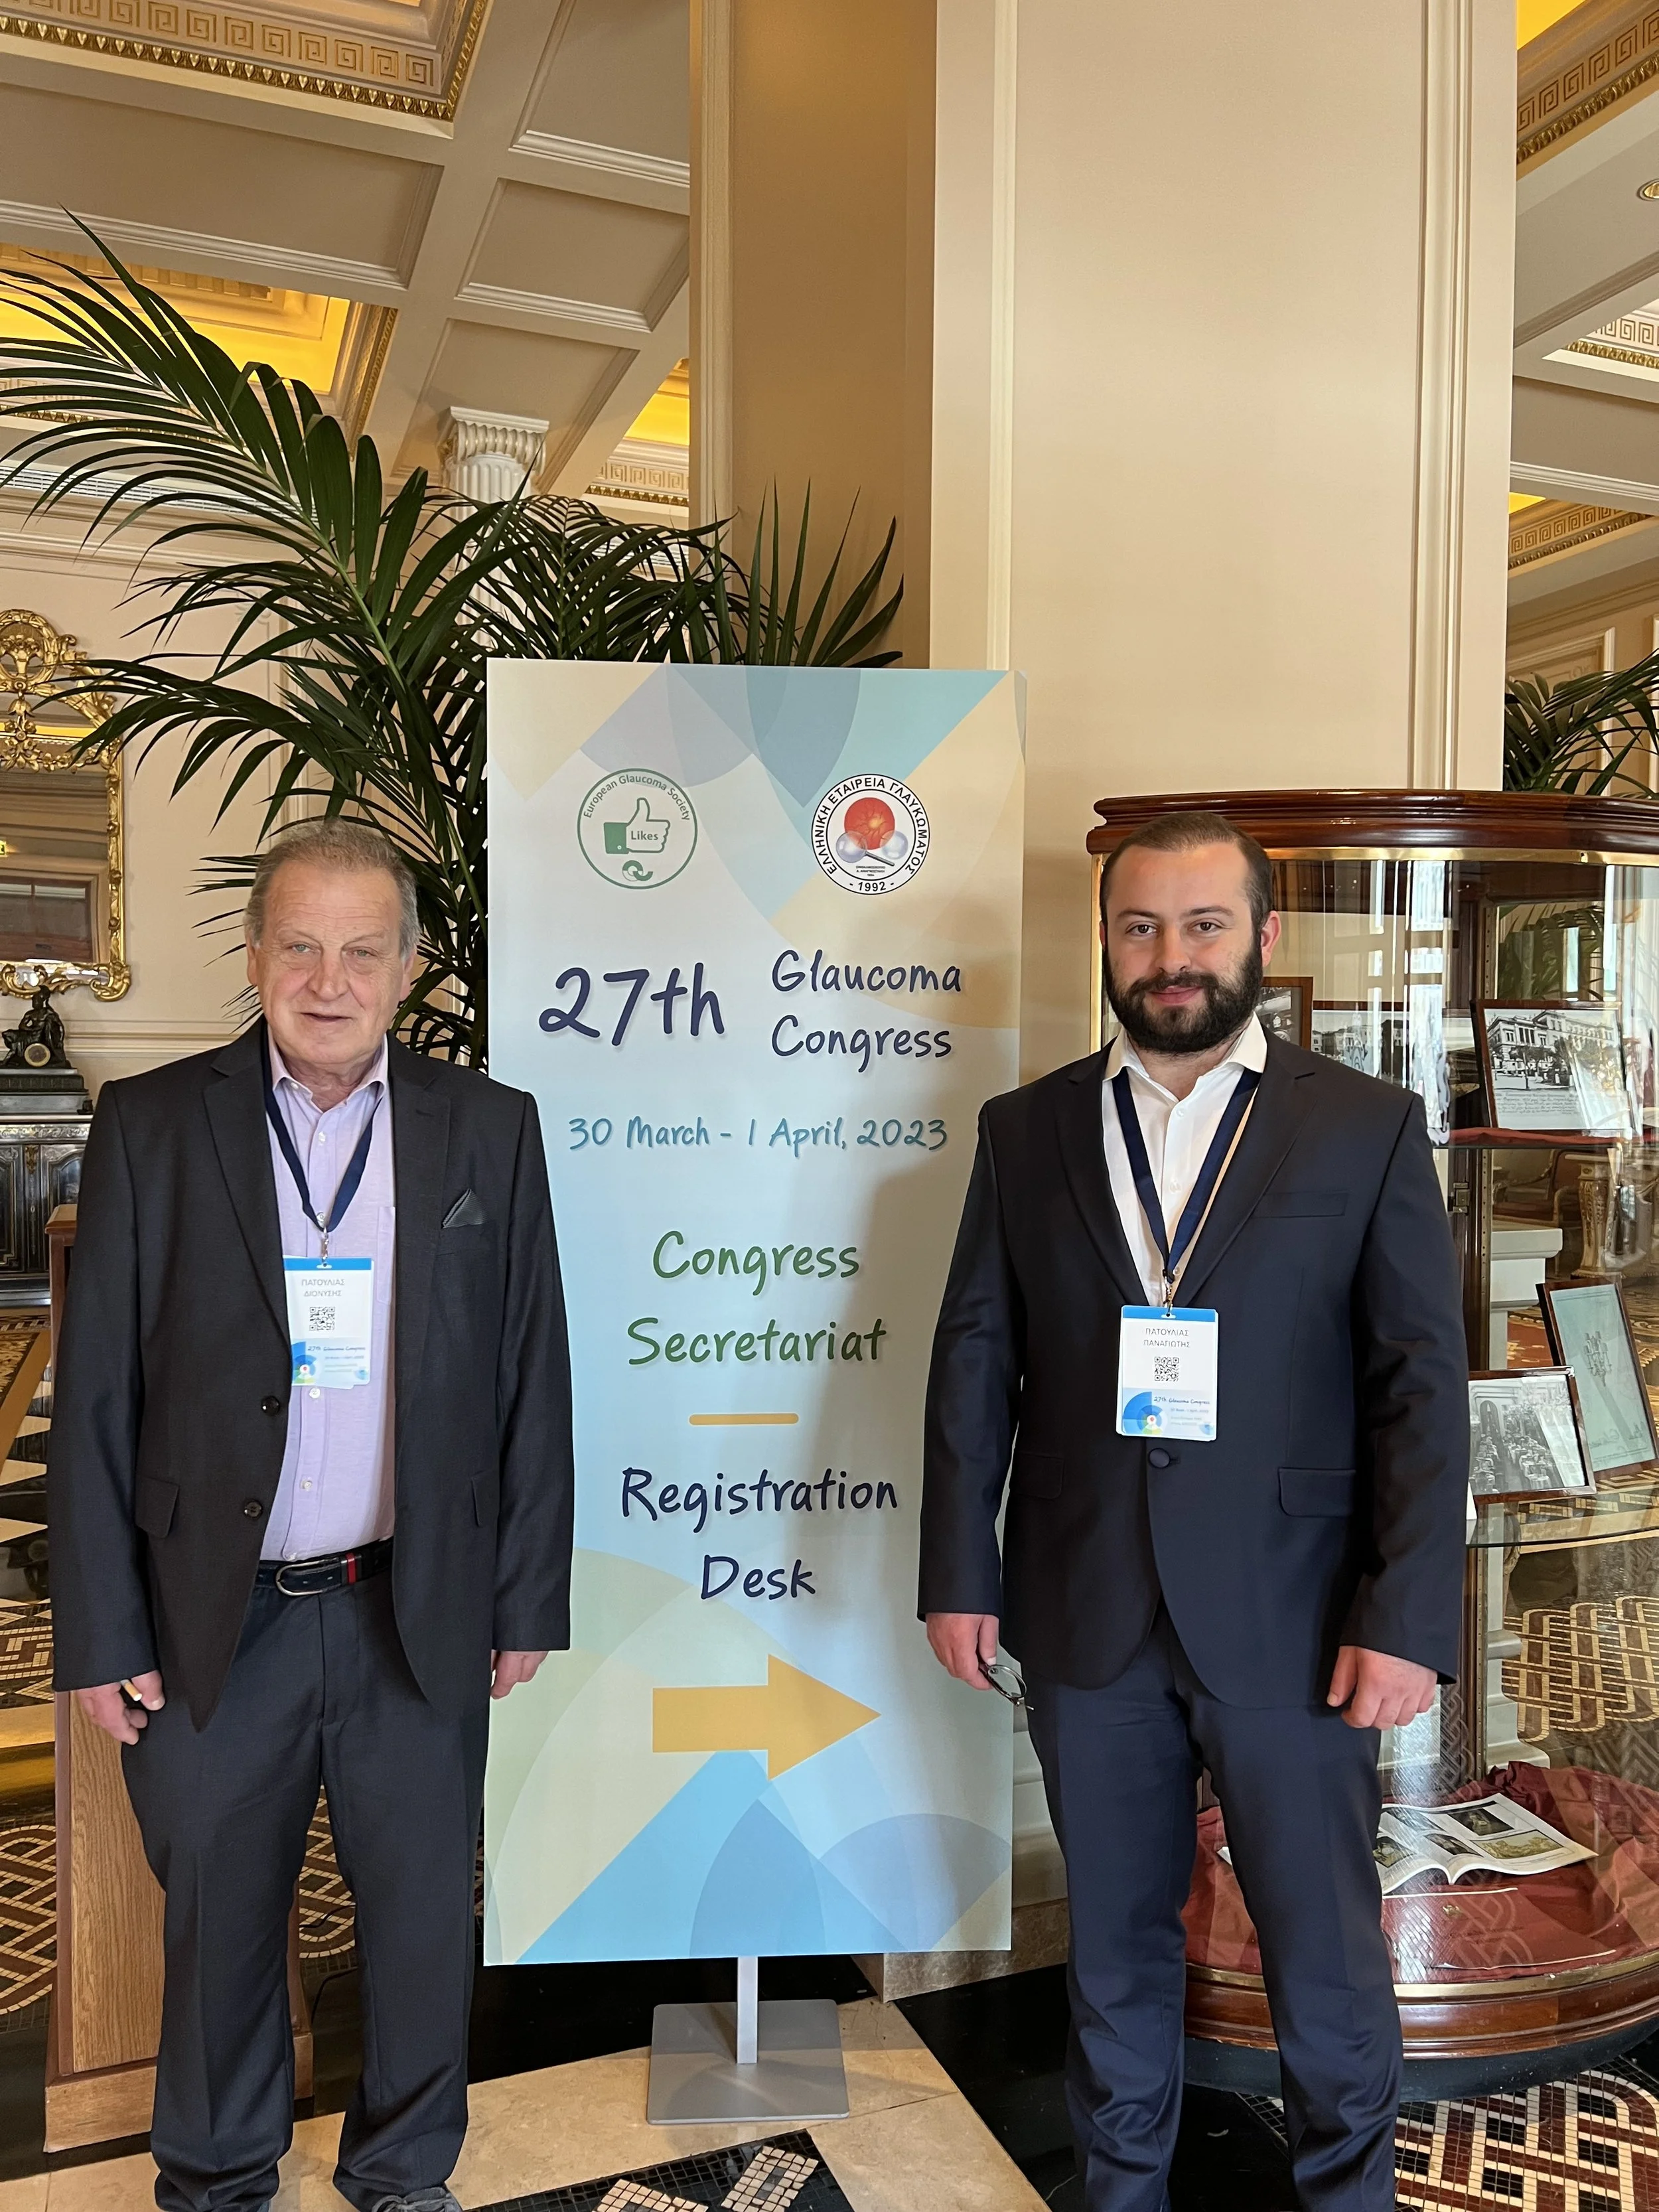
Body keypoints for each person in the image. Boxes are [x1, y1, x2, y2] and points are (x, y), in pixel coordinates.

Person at [919, 810, 1468, 2212]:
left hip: (1300, 1619)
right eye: (1141, 927)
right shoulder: (1028, 1127)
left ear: (1262, 938)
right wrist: (959, 1570)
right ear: (1107, 941)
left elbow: (1418, 1385)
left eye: (1204, 924)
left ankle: (1347, 2197)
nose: (1172, 956)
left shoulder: (1362, 1127)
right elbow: (975, 1357)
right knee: (1111, 1951)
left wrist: (1406, 1615)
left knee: (1323, 1954)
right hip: (1083, 1602)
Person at [49, 819, 574, 2212]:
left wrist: (525, 1598)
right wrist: (99, 1630)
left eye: (361, 950)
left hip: (413, 1604)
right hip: (212, 1619)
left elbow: (532, 1371)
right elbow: (95, 1393)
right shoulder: (154, 1123)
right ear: (253, 955)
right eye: (298, 945)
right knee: (218, 1922)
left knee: (419, 1918)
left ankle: (402, 2171)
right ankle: (218, 2175)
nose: (327, 980)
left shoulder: (489, 1126)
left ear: (408, 968)